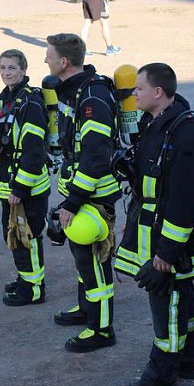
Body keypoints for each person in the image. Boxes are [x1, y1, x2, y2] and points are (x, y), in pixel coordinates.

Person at [115, 63, 194, 386]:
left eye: (138, 88)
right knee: (183, 296)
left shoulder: (185, 132)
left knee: (167, 301)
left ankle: (162, 373)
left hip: (170, 242)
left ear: (158, 92)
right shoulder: (158, 123)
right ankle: (187, 361)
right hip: (158, 235)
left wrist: (166, 254)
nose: (133, 93)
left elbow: (186, 198)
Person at [45, 33, 121, 352]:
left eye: (48, 55)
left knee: (95, 263)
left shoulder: (92, 97)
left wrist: (73, 202)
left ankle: (102, 329)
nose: (45, 60)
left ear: (64, 62)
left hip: (94, 197)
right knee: (82, 258)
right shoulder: (72, 90)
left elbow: (94, 155)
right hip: (80, 193)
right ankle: (86, 308)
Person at [0, 50, 50, 306]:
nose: (6, 72)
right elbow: (4, 130)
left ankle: (34, 289)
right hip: (10, 184)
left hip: (26, 187)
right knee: (14, 234)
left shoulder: (31, 103)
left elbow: (34, 151)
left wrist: (20, 188)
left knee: (27, 235)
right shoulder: (8, 97)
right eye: (2, 67)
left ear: (24, 70)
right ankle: (26, 278)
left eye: (12, 68)